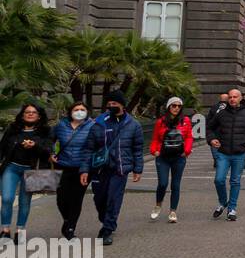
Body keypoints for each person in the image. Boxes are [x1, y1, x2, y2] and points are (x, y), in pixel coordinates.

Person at [90, 91, 143, 245]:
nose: (111, 106)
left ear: (122, 105)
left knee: (113, 198)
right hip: (100, 167)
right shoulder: (99, 121)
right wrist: (85, 169)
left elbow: (138, 148)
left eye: (114, 103)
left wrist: (137, 169)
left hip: (120, 168)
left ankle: (107, 229)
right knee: (99, 198)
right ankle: (105, 219)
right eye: (109, 104)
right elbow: (90, 146)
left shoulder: (133, 124)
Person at [0, 103, 54, 244]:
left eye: (33, 112)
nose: (30, 114)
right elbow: (2, 147)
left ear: (39, 115)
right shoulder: (13, 129)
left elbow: (48, 150)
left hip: (31, 171)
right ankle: (5, 231)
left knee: (25, 202)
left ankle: (20, 231)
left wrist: (34, 145)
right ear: (22, 114)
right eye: (27, 112)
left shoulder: (45, 131)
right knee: (6, 199)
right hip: (11, 168)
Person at [52, 101, 104, 239]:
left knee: (76, 198)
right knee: (61, 199)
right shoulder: (61, 125)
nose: (79, 111)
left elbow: (99, 146)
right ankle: (67, 220)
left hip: (83, 168)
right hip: (62, 166)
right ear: (71, 111)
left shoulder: (93, 126)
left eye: (82, 109)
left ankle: (70, 228)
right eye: (76, 109)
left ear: (87, 112)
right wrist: (51, 153)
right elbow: (48, 139)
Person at [209, 87, 245, 222]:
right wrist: (211, 139)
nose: (232, 99)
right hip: (223, 153)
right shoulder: (221, 114)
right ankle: (222, 202)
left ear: (240, 98)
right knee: (219, 180)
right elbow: (210, 127)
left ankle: (232, 209)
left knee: (235, 181)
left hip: (240, 153)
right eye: (230, 97)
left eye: (235, 97)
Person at [149, 97, 193, 223]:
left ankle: (173, 211)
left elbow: (189, 137)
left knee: (175, 185)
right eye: (174, 105)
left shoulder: (185, 121)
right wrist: (154, 151)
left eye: (179, 106)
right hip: (163, 157)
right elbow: (155, 139)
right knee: (162, 183)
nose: (176, 108)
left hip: (179, 157)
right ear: (169, 107)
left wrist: (187, 151)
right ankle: (158, 204)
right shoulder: (161, 121)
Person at [206, 91, 230, 164]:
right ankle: (221, 161)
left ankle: (216, 160)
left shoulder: (214, 107)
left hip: (215, 133)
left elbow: (208, 121)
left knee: (215, 146)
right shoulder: (230, 108)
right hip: (227, 133)